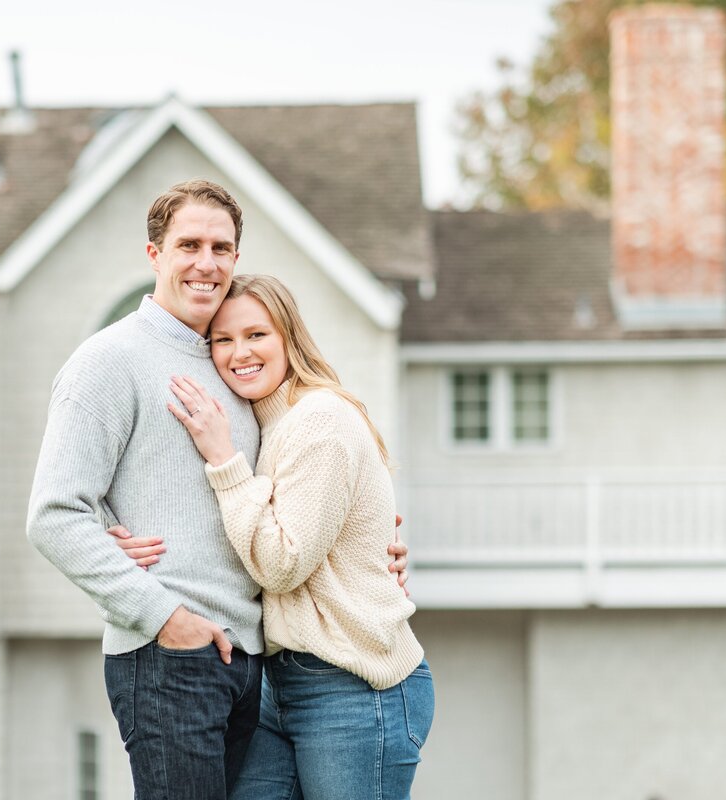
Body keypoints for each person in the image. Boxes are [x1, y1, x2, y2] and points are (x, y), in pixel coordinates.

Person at [27, 179, 409, 800]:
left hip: (253, 662)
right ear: (154, 255)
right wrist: (164, 617)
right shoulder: (107, 361)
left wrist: (367, 555)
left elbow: (300, 489)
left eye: (222, 248)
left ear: (236, 259)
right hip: (172, 654)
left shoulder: (234, 362)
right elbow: (54, 516)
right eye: (189, 245)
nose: (206, 263)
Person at [118, 274, 434, 799]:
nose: (239, 352)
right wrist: (116, 537)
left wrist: (224, 462)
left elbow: (282, 563)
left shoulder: (320, 421)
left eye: (256, 335)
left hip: (353, 684)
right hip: (275, 683)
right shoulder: (267, 425)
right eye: (223, 340)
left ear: (289, 336)